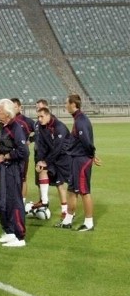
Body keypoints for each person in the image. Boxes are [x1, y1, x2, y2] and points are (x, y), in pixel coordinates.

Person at [55, 94, 100, 231]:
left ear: (73, 104)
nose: (65, 105)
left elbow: (86, 141)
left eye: (66, 103)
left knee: (84, 191)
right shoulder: (78, 119)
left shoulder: (81, 121)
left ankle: (89, 223)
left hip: (82, 159)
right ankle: (67, 220)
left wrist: (92, 155)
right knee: (71, 190)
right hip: (75, 158)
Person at [0, 99, 28, 247]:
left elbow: (23, 151)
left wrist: (5, 156)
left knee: (14, 201)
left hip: (12, 169)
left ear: (7, 112)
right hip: (3, 169)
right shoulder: (3, 127)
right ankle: (9, 231)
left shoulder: (16, 127)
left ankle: (20, 236)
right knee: (2, 201)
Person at [35, 106, 70, 218]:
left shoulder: (59, 127)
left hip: (65, 157)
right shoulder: (41, 127)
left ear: (48, 115)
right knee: (45, 172)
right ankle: (44, 202)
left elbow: (58, 148)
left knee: (66, 185)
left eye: (41, 116)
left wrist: (46, 161)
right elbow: (41, 146)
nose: (39, 119)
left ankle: (67, 211)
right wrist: (40, 161)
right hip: (53, 156)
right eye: (38, 117)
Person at [11, 98, 35, 201]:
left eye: (15, 107)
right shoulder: (8, 121)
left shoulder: (26, 121)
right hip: (10, 154)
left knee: (23, 178)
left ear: (20, 107)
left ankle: (22, 202)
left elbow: (39, 131)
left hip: (22, 153)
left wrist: (30, 139)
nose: (13, 109)